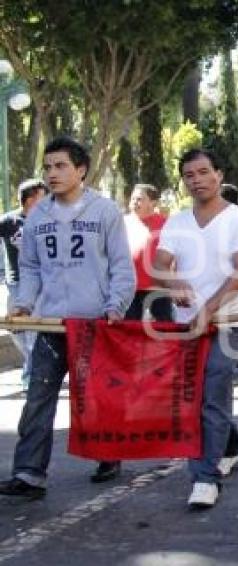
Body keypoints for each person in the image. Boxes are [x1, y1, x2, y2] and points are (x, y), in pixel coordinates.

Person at [0, 137, 136, 499]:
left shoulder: (104, 211)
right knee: (38, 397)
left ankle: (108, 455)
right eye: (47, 167)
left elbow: (122, 267)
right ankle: (29, 474)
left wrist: (115, 307)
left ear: (81, 170)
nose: (52, 173)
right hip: (50, 325)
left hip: (94, 324)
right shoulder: (38, 215)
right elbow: (29, 267)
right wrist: (24, 304)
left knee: (95, 398)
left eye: (60, 166)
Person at [153, 148, 238, 509]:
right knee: (199, 398)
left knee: (212, 392)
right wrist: (176, 286)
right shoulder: (177, 222)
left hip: (226, 325)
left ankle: (205, 478)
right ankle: (231, 443)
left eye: (203, 172)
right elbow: (161, 264)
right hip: (184, 328)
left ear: (218, 174)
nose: (197, 180)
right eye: (189, 175)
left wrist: (209, 310)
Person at [0, 179, 48, 391]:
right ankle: (33, 362)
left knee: (33, 329)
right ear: (30, 199)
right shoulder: (8, 221)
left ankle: (31, 373)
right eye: (42, 196)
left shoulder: (48, 220)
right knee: (15, 326)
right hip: (15, 281)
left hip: (40, 281)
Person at [124, 183, 173, 322]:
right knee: (129, 329)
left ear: (153, 202)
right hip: (129, 288)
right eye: (133, 198)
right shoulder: (122, 222)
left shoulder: (167, 224)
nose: (134, 202)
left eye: (139, 199)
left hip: (158, 287)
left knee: (164, 328)